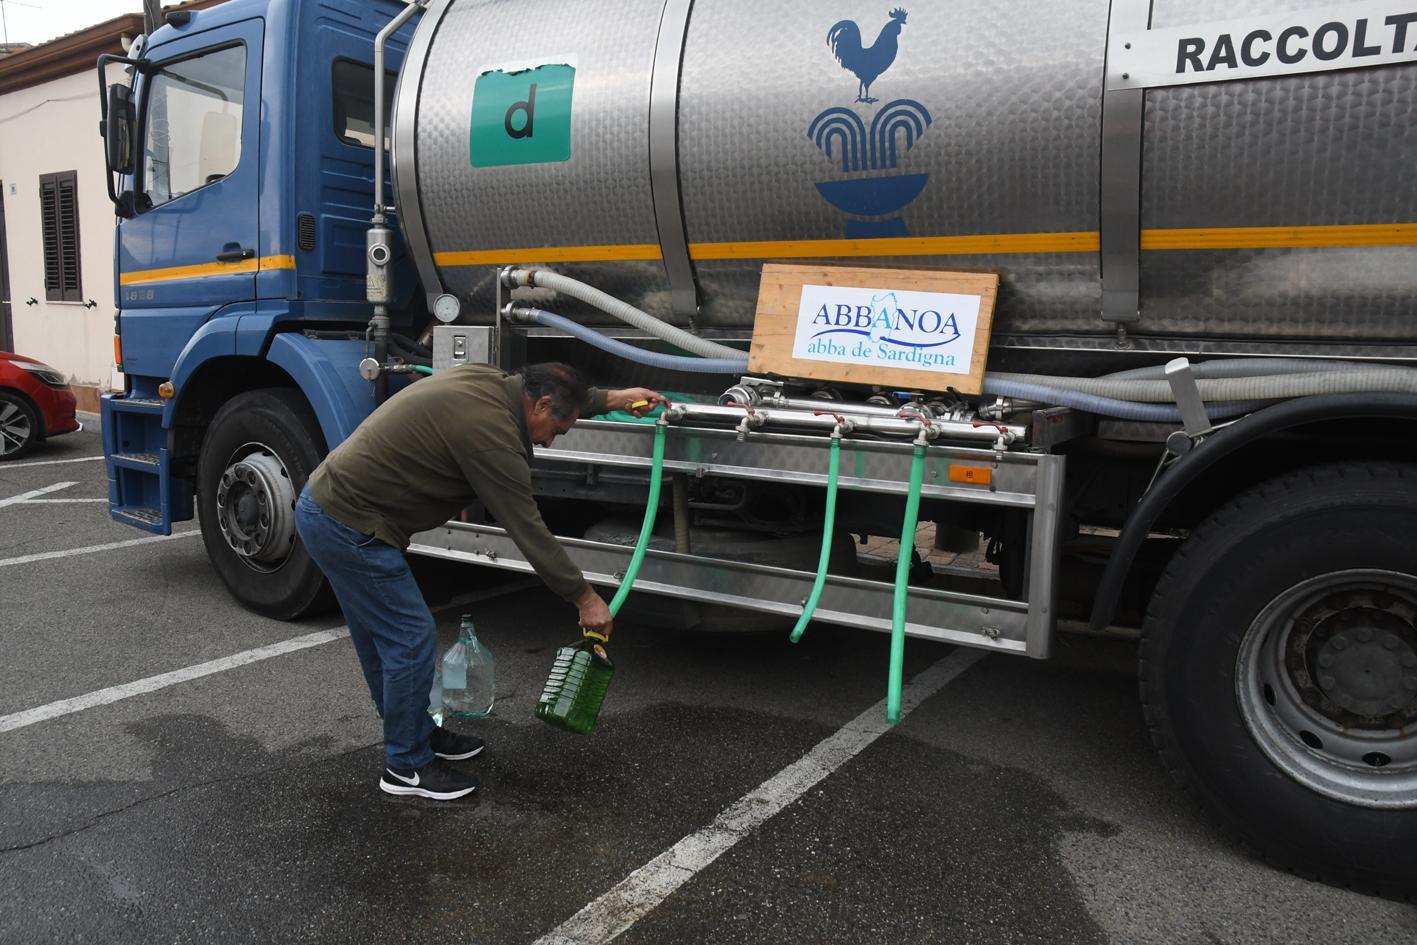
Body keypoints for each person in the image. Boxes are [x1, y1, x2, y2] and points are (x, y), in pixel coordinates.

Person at [295, 362, 664, 801]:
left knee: (385, 638)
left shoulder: (497, 384)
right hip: (347, 524)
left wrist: (615, 398)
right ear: (540, 405)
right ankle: (407, 766)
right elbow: (528, 530)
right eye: (555, 429)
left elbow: (563, 394)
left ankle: (415, 738)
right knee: (409, 637)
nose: (548, 441)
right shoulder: (492, 438)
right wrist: (585, 598)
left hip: (335, 510)